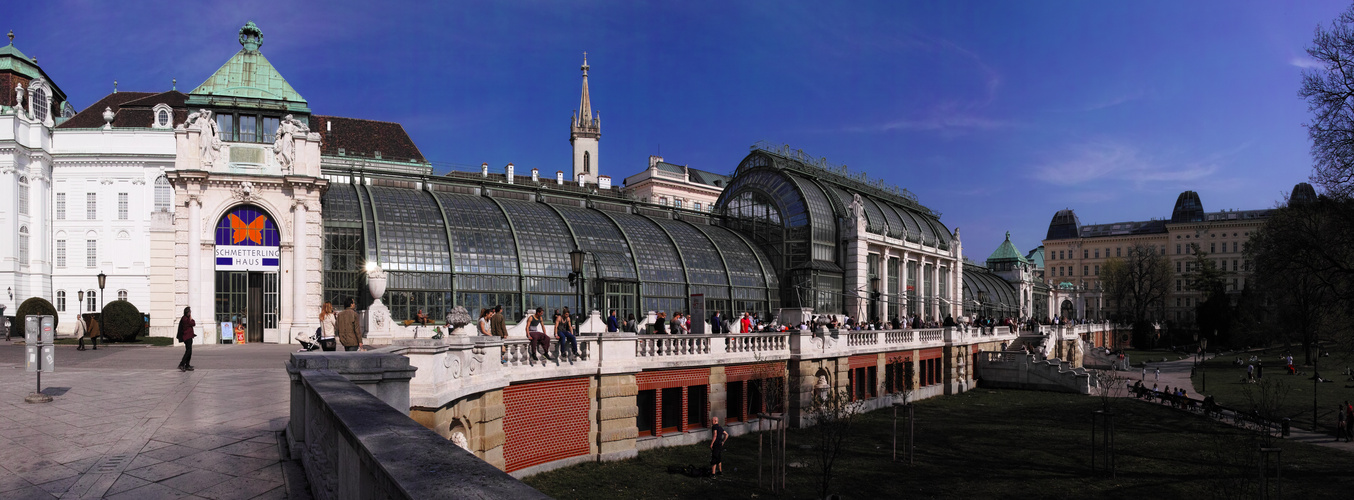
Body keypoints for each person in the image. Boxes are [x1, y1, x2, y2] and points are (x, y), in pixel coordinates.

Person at [176, 307, 196, 371]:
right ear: (187, 312)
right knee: (188, 351)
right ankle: (182, 364)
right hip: (187, 337)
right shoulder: (185, 319)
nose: (190, 313)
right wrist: (191, 318)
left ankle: (187, 365)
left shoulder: (186, 318)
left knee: (189, 351)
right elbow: (193, 323)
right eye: (189, 312)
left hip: (189, 336)